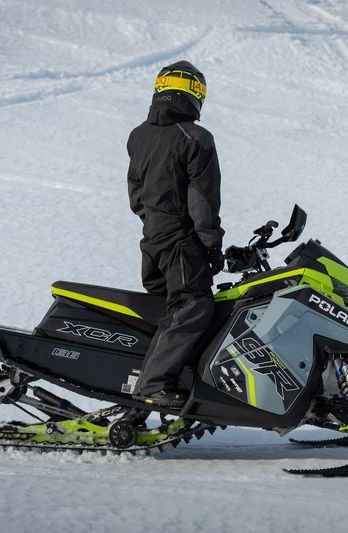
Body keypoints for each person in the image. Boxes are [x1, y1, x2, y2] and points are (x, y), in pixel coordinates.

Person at [126, 60, 225, 409]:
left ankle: (151, 380)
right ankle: (154, 385)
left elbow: (136, 194)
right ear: (195, 93)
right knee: (193, 306)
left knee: (164, 314)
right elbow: (202, 201)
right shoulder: (195, 138)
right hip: (181, 243)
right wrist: (211, 243)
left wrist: (155, 223)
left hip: (152, 241)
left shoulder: (138, 135)